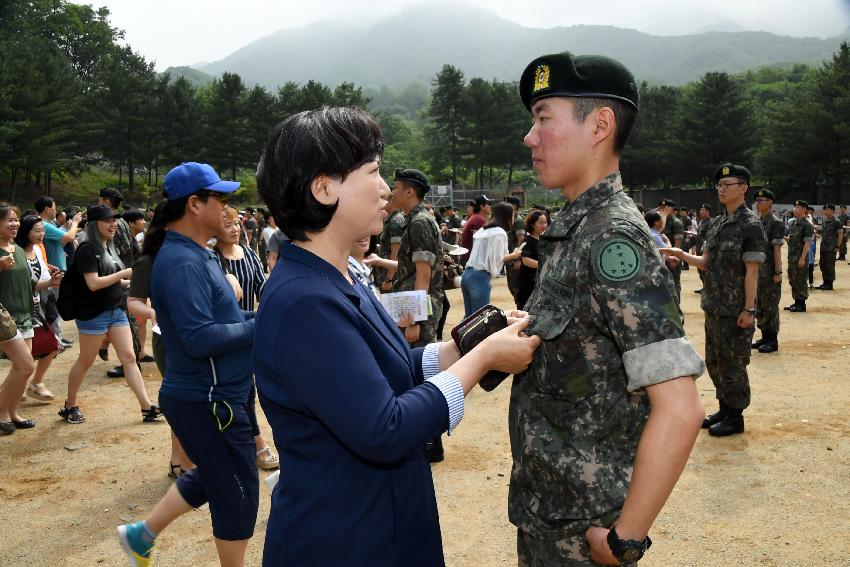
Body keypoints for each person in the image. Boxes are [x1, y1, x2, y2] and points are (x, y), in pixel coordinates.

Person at [253, 106, 540, 566]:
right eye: (373, 171)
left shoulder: (338, 275)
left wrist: (463, 345)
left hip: (377, 520)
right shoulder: (302, 301)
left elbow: (390, 368)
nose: (386, 188)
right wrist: (482, 359)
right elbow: (384, 428)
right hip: (345, 539)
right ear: (324, 187)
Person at [512, 52, 706, 566]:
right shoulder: (575, 230)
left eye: (543, 118)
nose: (530, 137)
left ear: (600, 125)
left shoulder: (615, 239)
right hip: (549, 515)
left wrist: (626, 538)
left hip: (586, 530)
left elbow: (680, 407)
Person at [117, 162, 254, 567]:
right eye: (220, 199)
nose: (228, 209)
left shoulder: (197, 254)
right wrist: (262, 326)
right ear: (195, 204)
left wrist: (257, 318)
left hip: (211, 397)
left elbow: (223, 323)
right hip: (209, 400)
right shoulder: (183, 262)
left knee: (217, 476)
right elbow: (199, 339)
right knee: (238, 493)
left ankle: (141, 536)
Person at [663, 163, 766, 437]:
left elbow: (752, 272)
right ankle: (724, 407)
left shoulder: (751, 226)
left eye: (728, 185)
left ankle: (735, 416)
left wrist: (749, 309)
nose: (721, 189)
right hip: (714, 305)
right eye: (719, 185)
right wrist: (681, 254)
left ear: (743, 188)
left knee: (734, 363)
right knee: (715, 361)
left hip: (736, 309)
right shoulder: (717, 224)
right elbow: (706, 262)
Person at [60, 205, 161, 426]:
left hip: (116, 310)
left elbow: (114, 280)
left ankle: (146, 407)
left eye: (114, 220)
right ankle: (70, 404)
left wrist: (133, 281)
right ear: (95, 224)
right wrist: (123, 274)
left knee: (129, 358)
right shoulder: (87, 248)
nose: (113, 224)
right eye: (107, 221)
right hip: (93, 313)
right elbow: (94, 283)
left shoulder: (109, 247)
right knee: (85, 361)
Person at [127, 204, 195, 480]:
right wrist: (156, 312)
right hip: (167, 340)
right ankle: (185, 463)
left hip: (193, 339)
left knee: (186, 403)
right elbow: (134, 302)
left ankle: (178, 460)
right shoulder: (148, 261)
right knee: (184, 403)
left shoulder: (195, 255)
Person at [213, 206, 279, 471]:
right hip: (227, 333)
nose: (234, 229)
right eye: (227, 224)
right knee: (244, 391)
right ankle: (258, 444)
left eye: (236, 224)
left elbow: (262, 286)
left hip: (251, 327)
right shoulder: (211, 259)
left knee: (252, 388)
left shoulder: (249, 253)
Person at [0, 205, 48, 434]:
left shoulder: (17, 249)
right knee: (26, 364)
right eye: (8, 220)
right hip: (4, 317)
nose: (14, 224)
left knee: (23, 369)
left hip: (24, 314)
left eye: (16, 220)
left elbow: (29, 285)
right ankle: (1, 413)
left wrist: (51, 283)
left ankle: (12, 412)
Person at [15, 215, 63, 401]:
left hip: (39, 306)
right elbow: (28, 283)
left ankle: (34, 383)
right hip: (23, 309)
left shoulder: (35, 250)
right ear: (25, 231)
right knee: (24, 356)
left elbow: (40, 276)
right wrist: (50, 282)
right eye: (37, 230)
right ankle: (17, 389)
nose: (41, 234)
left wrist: (52, 276)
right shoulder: (17, 252)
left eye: (42, 230)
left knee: (52, 345)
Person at [98, 187, 142, 379]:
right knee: (128, 319)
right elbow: (134, 249)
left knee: (127, 320)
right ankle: (133, 360)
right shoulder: (123, 222)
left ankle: (131, 364)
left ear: (106, 202)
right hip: (128, 275)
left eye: (100, 200)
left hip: (120, 277)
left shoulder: (112, 223)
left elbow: (118, 251)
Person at [460, 201, 522, 317]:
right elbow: (497, 259)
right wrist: (514, 255)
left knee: (469, 318)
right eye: (513, 215)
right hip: (480, 277)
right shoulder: (499, 233)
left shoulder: (484, 229)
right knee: (479, 318)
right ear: (507, 216)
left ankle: (459, 336)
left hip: (467, 275)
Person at [751, 189, 784, 353]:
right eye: (756, 201)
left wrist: (778, 272)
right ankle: (764, 336)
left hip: (770, 272)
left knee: (771, 305)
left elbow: (776, 249)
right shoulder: (757, 222)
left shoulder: (776, 223)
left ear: (770, 202)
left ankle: (772, 340)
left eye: (762, 200)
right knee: (760, 306)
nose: (758, 203)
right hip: (757, 273)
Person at [514, 209, 548, 309]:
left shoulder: (544, 240)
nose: (544, 225)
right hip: (528, 284)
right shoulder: (528, 241)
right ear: (532, 224)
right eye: (541, 223)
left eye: (545, 222)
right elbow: (526, 260)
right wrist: (546, 265)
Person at [785, 200, 813, 312]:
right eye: (794, 207)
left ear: (804, 209)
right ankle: (796, 302)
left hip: (800, 258)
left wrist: (802, 259)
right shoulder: (793, 223)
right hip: (792, 257)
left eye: (797, 207)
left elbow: (807, 244)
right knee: (793, 279)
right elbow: (791, 241)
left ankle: (801, 304)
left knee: (800, 280)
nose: (794, 209)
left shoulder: (807, 225)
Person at [375, 202, 404, 293]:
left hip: (392, 275)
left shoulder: (395, 221)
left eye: (383, 198)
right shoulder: (391, 219)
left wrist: (389, 279)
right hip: (389, 272)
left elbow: (396, 252)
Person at [658, 198, 683, 304]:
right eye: (661, 207)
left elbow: (678, 242)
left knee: (674, 283)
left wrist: (675, 258)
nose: (662, 209)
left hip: (673, 258)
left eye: (665, 207)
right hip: (663, 258)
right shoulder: (659, 221)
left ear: (672, 209)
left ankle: (676, 307)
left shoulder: (676, 223)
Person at [815, 203, 843, 290]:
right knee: (823, 265)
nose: (825, 211)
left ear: (831, 210)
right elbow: (821, 229)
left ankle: (829, 284)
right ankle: (825, 282)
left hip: (831, 248)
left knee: (829, 265)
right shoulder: (825, 221)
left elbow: (840, 234)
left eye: (826, 209)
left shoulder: (836, 222)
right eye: (824, 209)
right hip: (824, 247)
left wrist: (838, 246)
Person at [459, 195, 491, 264]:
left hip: (469, 258)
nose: (490, 207)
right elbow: (478, 243)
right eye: (488, 204)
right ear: (481, 206)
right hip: (472, 260)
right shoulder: (479, 219)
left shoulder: (476, 217)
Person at [693, 203, 713, 294]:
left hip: (706, 249)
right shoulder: (701, 222)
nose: (701, 211)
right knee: (700, 270)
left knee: (706, 270)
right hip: (699, 248)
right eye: (700, 210)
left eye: (703, 210)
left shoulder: (711, 222)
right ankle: (704, 287)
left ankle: (709, 289)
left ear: (708, 211)